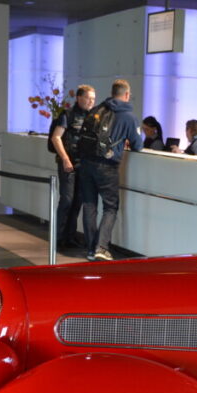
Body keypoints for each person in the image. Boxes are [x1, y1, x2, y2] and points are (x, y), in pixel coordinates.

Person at [78, 78, 142, 262]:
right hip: (107, 166)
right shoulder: (129, 117)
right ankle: (101, 248)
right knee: (110, 207)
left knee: (89, 205)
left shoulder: (97, 110)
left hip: (86, 163)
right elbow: (138, 145)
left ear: (112, 93)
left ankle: (91, 249)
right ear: (127, 95)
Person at [49, 85, 96, 248]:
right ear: (79, 98)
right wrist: (65, 158)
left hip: (85, 165)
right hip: (68, 164)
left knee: (77, 201)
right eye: (88, 98)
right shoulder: (67, 115)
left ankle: (70, 236)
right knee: (67, 200)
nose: (91, 101)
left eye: (93, 99)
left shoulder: (94, 117)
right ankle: (58, 237)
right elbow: (56, 138)